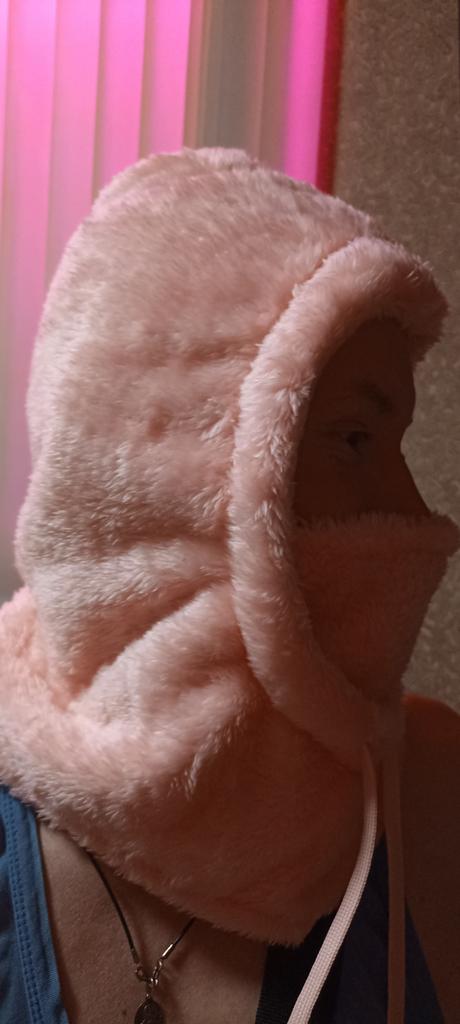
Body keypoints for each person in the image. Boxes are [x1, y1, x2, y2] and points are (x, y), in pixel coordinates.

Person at [0, 148, 458, 1024]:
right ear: (175, 472)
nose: (414, 512)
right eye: (355, 440)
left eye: (397, 443)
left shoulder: (433, 798)